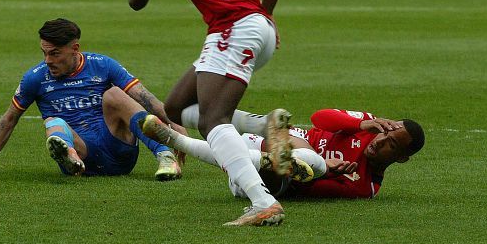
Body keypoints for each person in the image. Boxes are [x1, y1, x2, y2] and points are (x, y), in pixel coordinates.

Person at [127, 0, 291, 227]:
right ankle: (265, 128)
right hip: (255, 28)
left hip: (232, 30)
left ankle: (262, 201)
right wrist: (268, 12)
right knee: (175, 106)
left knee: (212, 120)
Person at [0, 18, 183, 180]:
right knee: (53, 121)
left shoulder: (102, 65)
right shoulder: (35, 78)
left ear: (75, 49)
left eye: (54, 53)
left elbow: (145, 97)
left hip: (117, 149)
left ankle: (165, 156)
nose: (48, 60)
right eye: (44, 53)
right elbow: (9, 119)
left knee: (115, 94)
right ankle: (69, 157)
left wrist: (175, 127)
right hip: (82, 156)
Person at [142, 106, 425, 200]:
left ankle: (178, 138)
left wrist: (325, 170)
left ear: (401, 158)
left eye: (391, 144)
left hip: (267, 181)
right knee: (303, 152)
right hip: (282, 139)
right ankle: (183, 116)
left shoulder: (364, 186)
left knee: (311, 164)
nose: (379, 140)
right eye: (385, 132)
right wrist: (360, 122)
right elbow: (320, 118)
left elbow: (306, 191)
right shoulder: (368, 125)